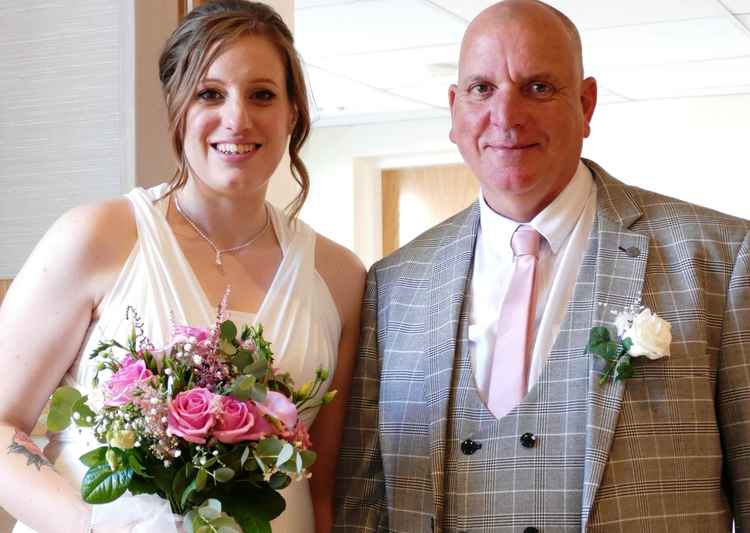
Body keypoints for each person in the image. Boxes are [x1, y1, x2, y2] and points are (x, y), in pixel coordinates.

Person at [335, 0, 750, 531]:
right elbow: (362, 506)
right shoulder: (395, 282)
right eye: (482, 89)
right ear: (454, 109)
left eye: (537, 87)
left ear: (586, 104)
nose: (506, 117)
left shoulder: (716, 259)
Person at [0, 1, 364, 532]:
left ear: (293, 113)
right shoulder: (96, 238)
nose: (237, 118)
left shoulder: (340, 277)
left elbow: (325, 481)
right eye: (209, 94)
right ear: (177, 107)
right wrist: (94, 527)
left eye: (262, 94)